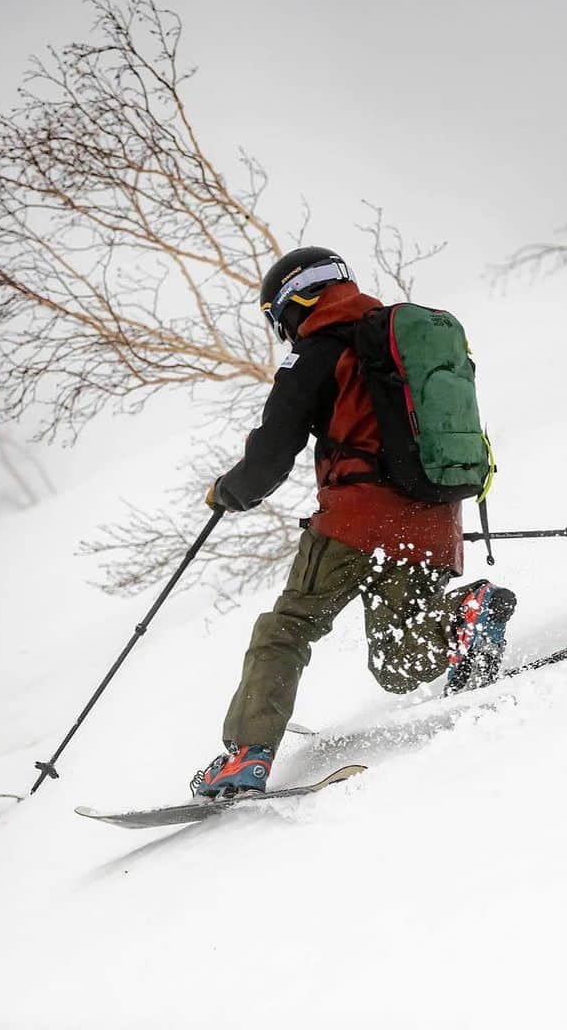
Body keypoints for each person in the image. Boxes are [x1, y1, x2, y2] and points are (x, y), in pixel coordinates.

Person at [191, 247, 516, 798]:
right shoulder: (398, 344)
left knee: (287, 628)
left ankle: (247, 755)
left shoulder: (318, 353)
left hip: (355, 524)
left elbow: (272, 452)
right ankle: (465, 614)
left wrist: (229, 492)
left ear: (293, 304)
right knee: (398, 660)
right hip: (435, 518)